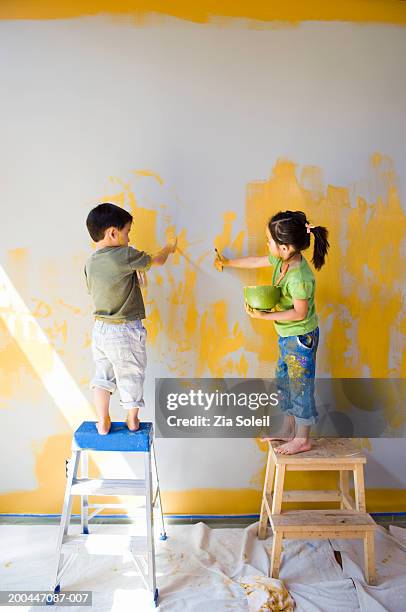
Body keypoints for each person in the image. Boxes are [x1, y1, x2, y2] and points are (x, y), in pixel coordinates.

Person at [215, 210, 329, 455]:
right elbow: (257, 260)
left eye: (270, 241)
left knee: (300, 386)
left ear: (286, 248)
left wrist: (265, 316)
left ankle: (303, 438)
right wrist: (228, 262)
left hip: (301, 339)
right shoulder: (283, 260)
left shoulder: (299, 276)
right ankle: (289, 430)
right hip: (287, 336)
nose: (267, 245)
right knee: (285, 382)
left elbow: (300, 313)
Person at [85, 202, 176, 435]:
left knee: (102, 376)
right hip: (124, 330)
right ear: (113, 233)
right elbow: (156, 261)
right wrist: (168, 248)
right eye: (127, 233)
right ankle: (132, 419)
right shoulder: (124, 254)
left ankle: (102, 420)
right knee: (131, 374)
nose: (129, 238)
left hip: (100, 329)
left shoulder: (90, 262)